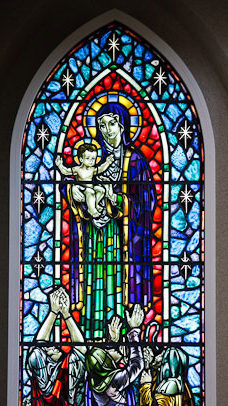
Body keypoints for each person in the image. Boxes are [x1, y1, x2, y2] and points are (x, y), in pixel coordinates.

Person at [65, 103, 156, 340]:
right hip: (95, 239)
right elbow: (79, 190)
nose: (107, 130)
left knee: (119, 289)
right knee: (95, 287)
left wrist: (116, 199)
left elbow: (146, 204)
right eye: (101, 125)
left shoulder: (135, 160)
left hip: (123, 240)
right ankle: (93, 339)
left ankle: (125, 342)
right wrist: (74, 196)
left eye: (112, 123)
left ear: (123, 125)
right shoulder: (93, 160)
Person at [56, 143, 114, 218]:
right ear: (81, 159)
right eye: (87, 158)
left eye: (93, 159)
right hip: (82, 189)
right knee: (90, 192)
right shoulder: (77, 169)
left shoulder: (93, 169)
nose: (91, 161)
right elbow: (66, 172)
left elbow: (101, 169)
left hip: (91, 187)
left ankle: (95, 204)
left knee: (101, 190)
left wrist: (108, 162)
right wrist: (60, 165)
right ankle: (91, 210)